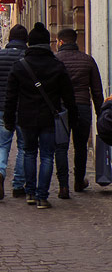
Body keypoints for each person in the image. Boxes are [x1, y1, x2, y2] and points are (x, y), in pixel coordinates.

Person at [3, 23, 76, 208]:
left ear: (30, 43)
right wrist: (72, 118)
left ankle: (30, 193)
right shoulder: (57, 66)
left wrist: (8, 119)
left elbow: (10, 97)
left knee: (29, 153)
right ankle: (42, 197)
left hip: (26, 118)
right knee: (47, 156)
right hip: (49, 118)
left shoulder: (20, 66)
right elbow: (68, 96)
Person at [0, 23, 29, 201]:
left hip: (1, 108)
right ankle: (18, 185)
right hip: (24, 109)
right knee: (24, 147)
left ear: (9, 38)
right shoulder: (28, 56)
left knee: (1, 145)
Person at [54, 27, 103, 195]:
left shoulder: (55, 60)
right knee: (81, 146)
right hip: (82, 106)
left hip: (61, 107)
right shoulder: (88, 60)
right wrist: (100, 113)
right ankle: (79, 181)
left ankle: (63, 185)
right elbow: (97, 91)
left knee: (61, 146)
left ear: (60, 42)